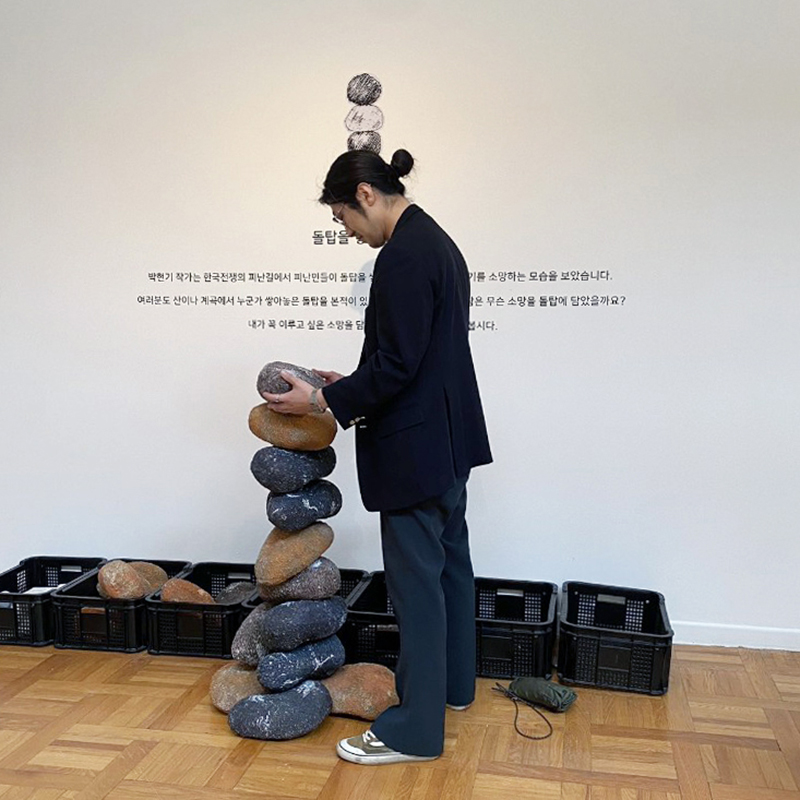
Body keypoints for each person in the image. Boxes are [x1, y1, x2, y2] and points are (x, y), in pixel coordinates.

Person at [262, 148, 492, 765]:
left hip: (416, 448)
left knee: (417, 587)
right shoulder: (437, 242)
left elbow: (397, 366)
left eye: (342, 218)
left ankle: (414, 731)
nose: (347, 232)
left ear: (365, 194)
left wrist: (322, 399)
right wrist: (351, 382)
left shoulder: (403, 255)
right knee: (449, 568)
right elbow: (417, 356)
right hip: (448, 440)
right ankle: (453, 688)